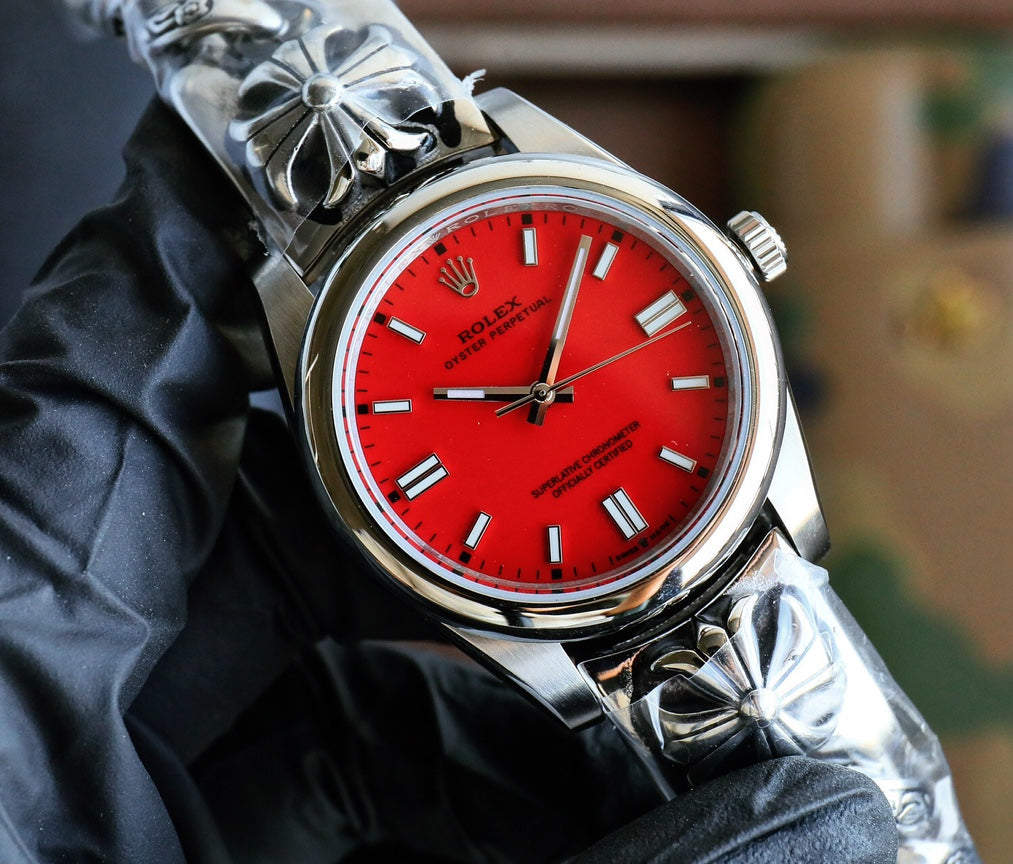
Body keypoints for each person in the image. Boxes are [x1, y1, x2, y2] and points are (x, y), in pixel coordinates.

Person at [0, 98, 899, 864]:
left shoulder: (506, 131)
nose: (545, 398)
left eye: (545, 392)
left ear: (737, 255)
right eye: (537, 396)